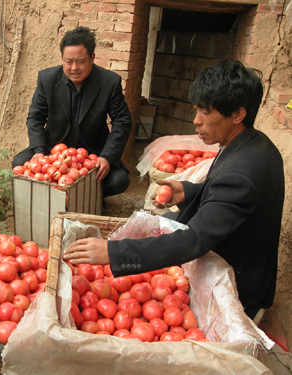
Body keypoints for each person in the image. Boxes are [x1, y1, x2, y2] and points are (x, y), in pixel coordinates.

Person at [63, 60, 285, 320]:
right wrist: (189, 192)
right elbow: (229, 201)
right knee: (164, 222)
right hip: (237, 252)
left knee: (166, 237)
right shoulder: (256, 144)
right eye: (195, 110)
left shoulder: (242, 172)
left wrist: (113, 253)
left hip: (237, 287)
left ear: (237, 114)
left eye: (205, 112)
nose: (196, 121)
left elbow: (195, 241)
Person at [12, 26, 132, 199]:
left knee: (119, 180)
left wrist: (106, 156)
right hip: (52, 151)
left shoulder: (109, 82)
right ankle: (58, 200)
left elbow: (122, 121)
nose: (74, 67)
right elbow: (35, 117)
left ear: (92, 58)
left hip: (92, 155)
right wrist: (39, 151)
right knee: (18, 163)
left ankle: (84, 200)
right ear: (62, 59)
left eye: (80, 61)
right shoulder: (47, 79)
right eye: (69, 61)